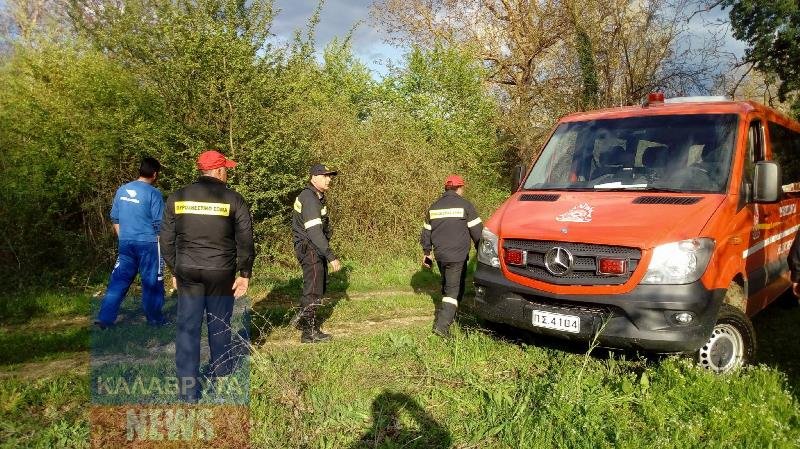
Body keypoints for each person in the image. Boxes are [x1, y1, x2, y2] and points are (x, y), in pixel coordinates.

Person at [159, 150, 255, 402]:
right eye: (227, 170)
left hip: (188, 271)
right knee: (220, 323)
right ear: (220, 171)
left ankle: (188, 391)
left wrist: (175, 269)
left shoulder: (178, 197)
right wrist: (244, 272)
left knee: (188, 328)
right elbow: (246, 239)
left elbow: (166, 240)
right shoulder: (234, 199)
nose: (227, 174)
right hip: (221, 272)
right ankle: (222, 373)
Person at [95, 157, 166, 329]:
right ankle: (155, 320)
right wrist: (163, 245)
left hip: (126, 243)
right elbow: (159, 223)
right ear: (155, 174)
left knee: (119, 280)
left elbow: (115, 218)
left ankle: (105, 319)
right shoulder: (154, 193)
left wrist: (123, 237)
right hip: (149, 244)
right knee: (152, 282)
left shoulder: (122, 190)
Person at [420, 175, 483, 338]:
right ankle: (442, 327)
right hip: (458, 256)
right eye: (462, 188)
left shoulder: (433, 207)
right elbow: (478, 233)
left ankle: (452, 311)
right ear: (459, 188)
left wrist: (427, 253)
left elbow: (426, 233)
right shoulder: (466, 206)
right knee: (452, 291)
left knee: (451, 285)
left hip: (440, 255)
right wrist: (482, 252)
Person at [291, 164, 342, 343]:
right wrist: (331, 256)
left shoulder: (316, 196)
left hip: (312, 247)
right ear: (313, 177)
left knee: (317, 286)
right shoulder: (310, 199)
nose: (329, 179)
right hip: (311, 248)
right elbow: (314, 232)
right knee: (313, 289)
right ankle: (309, 333)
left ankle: (302, 318)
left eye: (330, 176)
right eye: (324, 176)